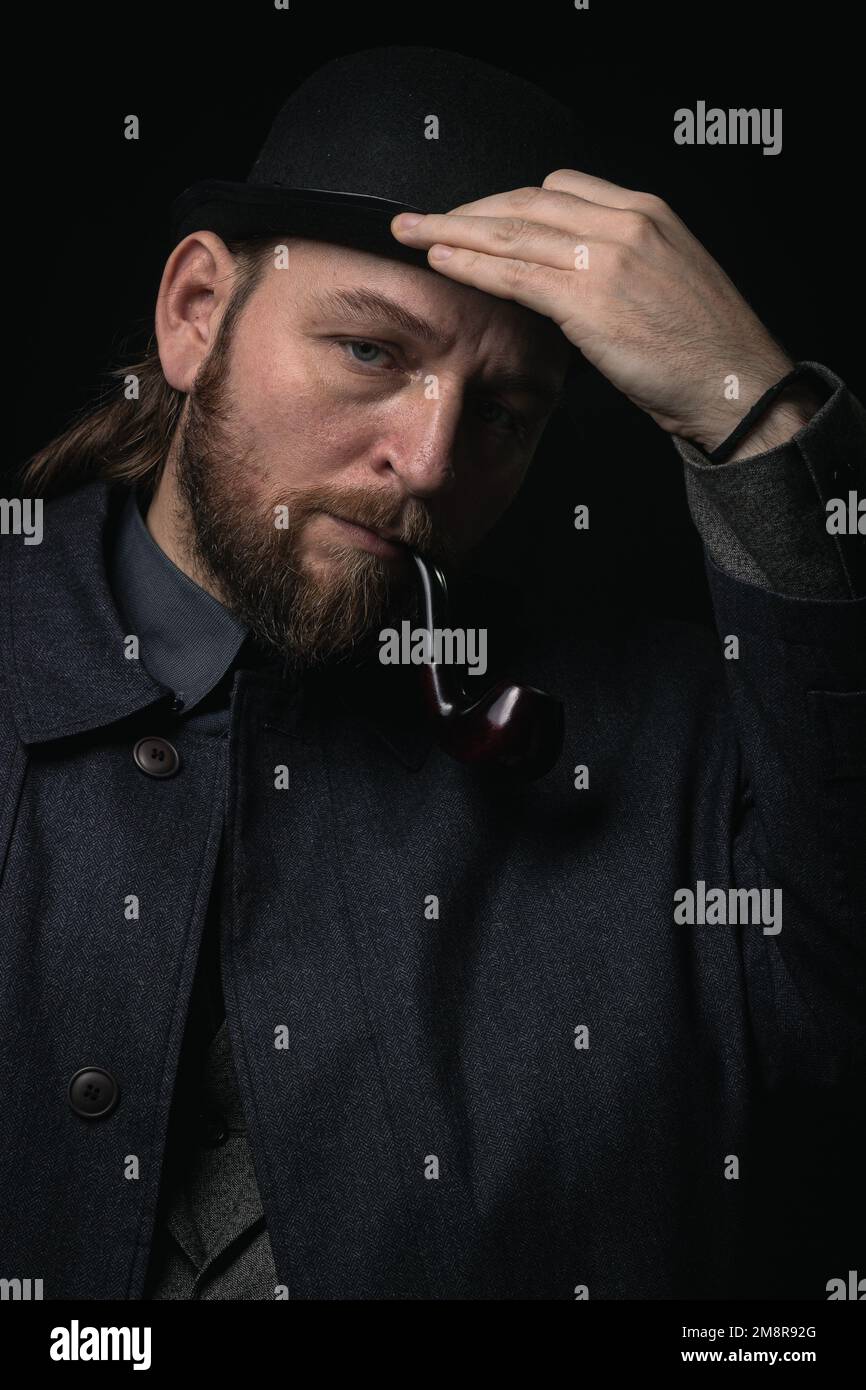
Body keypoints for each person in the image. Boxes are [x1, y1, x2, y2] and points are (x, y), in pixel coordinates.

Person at [2, 46, 863, 1301]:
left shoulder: (669, 747)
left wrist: (763, 423)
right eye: (366, 350)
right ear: (195, 315)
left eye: (504, 412)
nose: (430, 458)